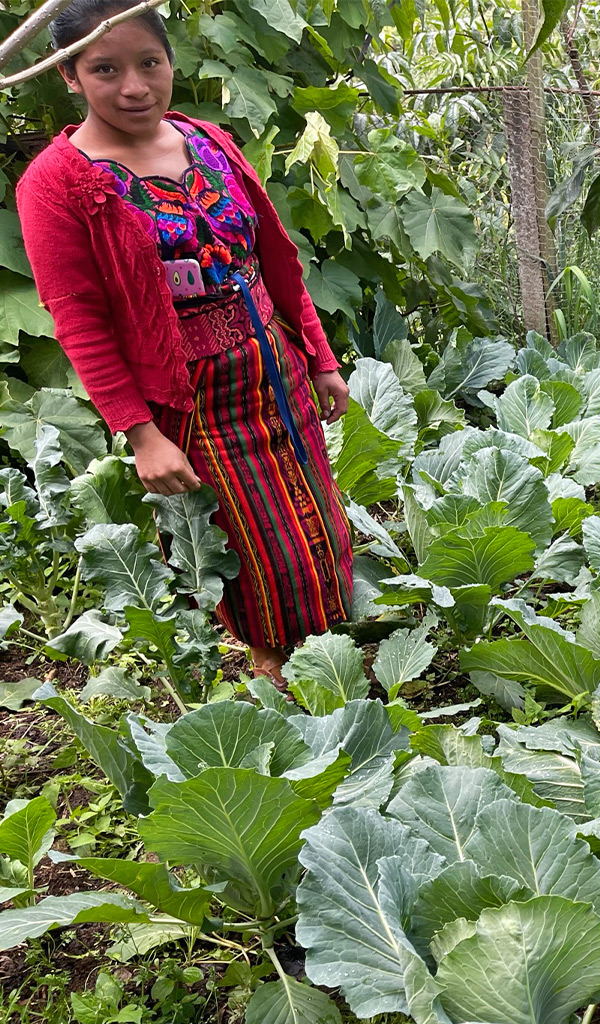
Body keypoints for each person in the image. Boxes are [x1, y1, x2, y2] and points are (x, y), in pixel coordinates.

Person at [16, 0, 354, 683]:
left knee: (319, 520)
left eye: (150, 62)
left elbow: (273, 257)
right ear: (71, 78)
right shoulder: (57, 184)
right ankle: (279, 682)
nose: (134, 86)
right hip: (193, 398)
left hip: (276, 370)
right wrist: (142, 436)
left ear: (171, 62)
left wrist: (318, 357)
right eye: (105, 69)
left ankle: (337, 663)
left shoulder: (206, 140)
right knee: (256, 552)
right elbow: (78, 319)